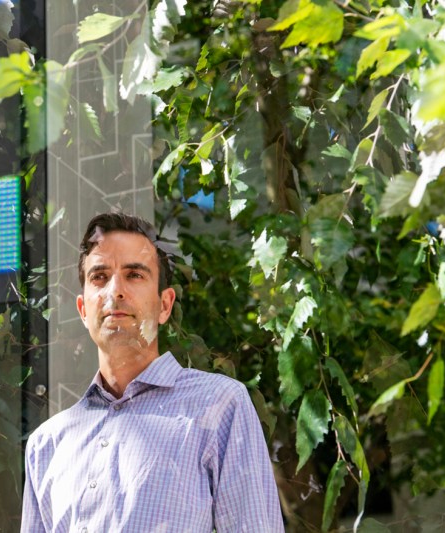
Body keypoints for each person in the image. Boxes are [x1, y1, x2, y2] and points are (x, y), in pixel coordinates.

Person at [21, 213, 284, 532]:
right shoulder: (47, 445)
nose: (115, 290)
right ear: (82, 310)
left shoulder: (219, 407)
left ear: (165, 305)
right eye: (100, 277)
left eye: (134, 275)